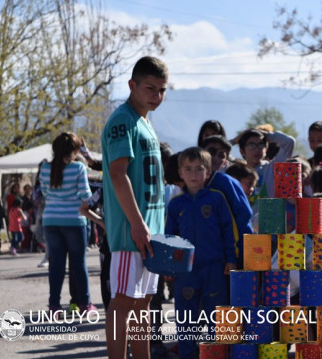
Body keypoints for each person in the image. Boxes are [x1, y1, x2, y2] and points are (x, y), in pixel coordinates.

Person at [101, 56, 168, 359]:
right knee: (123, 302)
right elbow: (117, 173)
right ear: (132, 85)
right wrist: (137, 223)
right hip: (132, 232)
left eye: (162, 90)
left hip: (152, 231)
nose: (156, 96)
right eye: (150, 89)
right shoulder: (122, 121)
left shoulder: (145, 122)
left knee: (144, 303)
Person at [164, 147, 238, 358]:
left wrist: (231, 259)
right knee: (186, 319)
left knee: (217, 318)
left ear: (208, 172)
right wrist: (169, 266)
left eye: (199, 169)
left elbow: (228, 231)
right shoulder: (176, 204)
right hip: (185, 271)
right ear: (180, 173)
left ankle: (219, 355)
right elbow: (170, 238)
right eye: (188, 169)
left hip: (215, 268)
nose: (194, 174)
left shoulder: (217, 199)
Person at [40, 132, 95, 316]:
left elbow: (45, 193)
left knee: (56, 265)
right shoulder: (78, 168)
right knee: (78, 265)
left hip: (50, 220)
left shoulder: (45, 168)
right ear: (74, 151)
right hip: (74, 220)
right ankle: (85, 305)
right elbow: (85, 196)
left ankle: (54, 305)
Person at [237, 127, 295, 204]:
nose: (257, 149)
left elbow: (289, 142)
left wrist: (267, 135)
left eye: (261, 145)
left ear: (266, 149)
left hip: (269, 215)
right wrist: (235, 140)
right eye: (251, 145)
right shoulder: (236, 171)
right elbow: (220, 153)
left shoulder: (272, 168)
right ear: (242, 151)